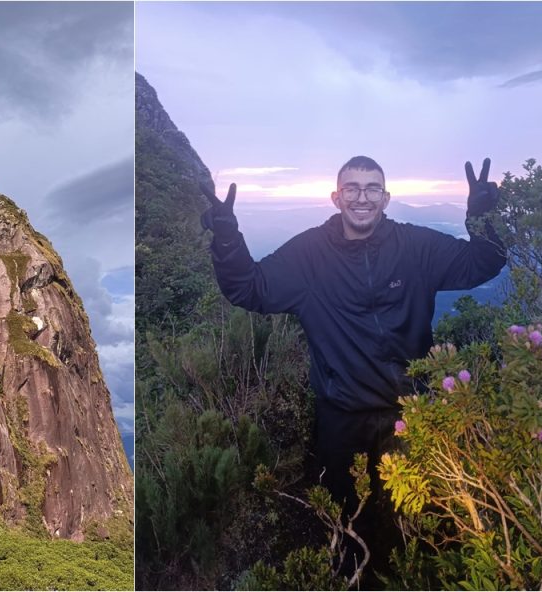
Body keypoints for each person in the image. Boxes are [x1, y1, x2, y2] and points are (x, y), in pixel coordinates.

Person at [199, 155, 506, 564]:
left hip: (410, 414)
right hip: (342, 420)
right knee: (345, 527)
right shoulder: (309, 255)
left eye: (372, 188)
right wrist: (227, 240)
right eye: (353, 189)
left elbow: (482, 262)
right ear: (336, 197)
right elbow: (249, 288)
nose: (362, 197)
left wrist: (482, 219)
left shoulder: (416, 247)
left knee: (417, 525)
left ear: (386, 197)